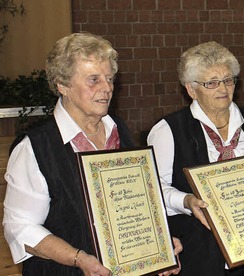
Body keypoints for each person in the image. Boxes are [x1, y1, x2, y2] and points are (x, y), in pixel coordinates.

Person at [2, 33, 181, 275]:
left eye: (109, 78)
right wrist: (79, 259)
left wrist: (160, 246)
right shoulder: (36, 147)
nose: (107, 88)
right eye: (93, 79)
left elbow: (135, 206)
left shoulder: (119, 131)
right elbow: (20, 227)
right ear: (62, 85)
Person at [147, 41, 244, 276]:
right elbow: (153, 191)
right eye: (211, 83)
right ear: (191, 89)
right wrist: (187, 200)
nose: (222, 89)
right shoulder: (168, 130)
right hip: (197, 253)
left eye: (228, 80)